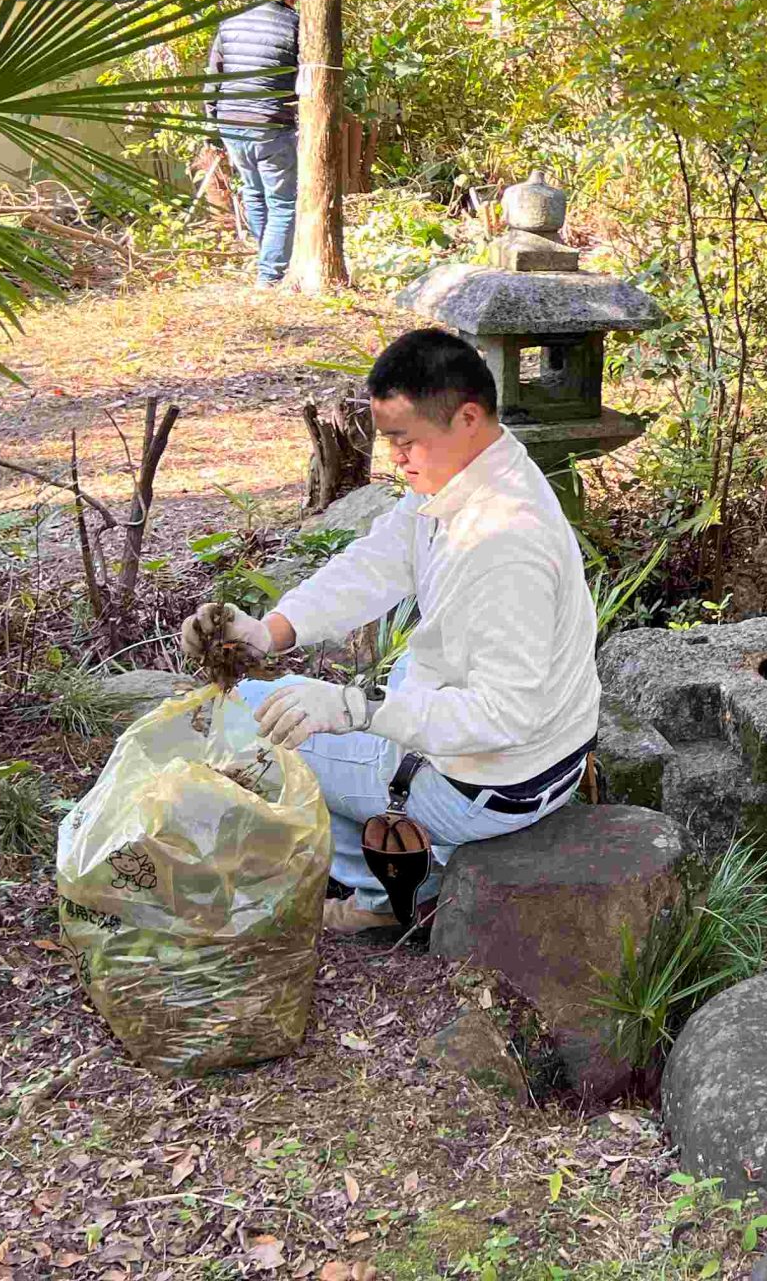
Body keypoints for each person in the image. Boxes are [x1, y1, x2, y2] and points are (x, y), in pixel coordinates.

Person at [178, 329, 598, 935]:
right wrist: (272, 630)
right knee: (326, 699)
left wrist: (355, 708)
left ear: (468, 418)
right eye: (389, 441)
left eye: (405, 441)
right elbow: (379, 561)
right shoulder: (472, 474)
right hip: (531, 755)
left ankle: (380, 895)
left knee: (234, 718)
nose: (395, 458)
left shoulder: (506, 544)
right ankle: (393, 868)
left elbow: (504, 715)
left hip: (494, 783)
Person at [207, 0, 301, 287]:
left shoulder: (231, 21)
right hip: (270, 124)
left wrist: (213, 121)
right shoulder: (295, 24)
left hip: (231, 120)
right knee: (283, 202)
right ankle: (270, 276)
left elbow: (214, 76)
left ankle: (267, 260)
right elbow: (305, 76)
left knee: (254, 193)